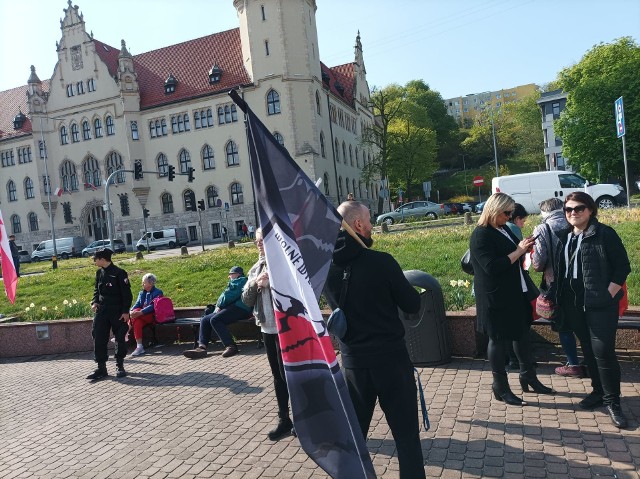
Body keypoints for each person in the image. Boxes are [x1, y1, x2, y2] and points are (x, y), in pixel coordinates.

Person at [324, 200, 426, 479]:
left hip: (354, 365)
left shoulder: (325, 270)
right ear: (358, 224)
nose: (372, 224)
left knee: (355, 439)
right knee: (406, 438)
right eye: (369, 219)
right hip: (391, 361)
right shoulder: (381, 262)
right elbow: (411, 305)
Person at [554, 192, 631, 428]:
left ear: (590, 210)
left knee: (603, 351)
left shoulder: (604, 234)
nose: (573, 213)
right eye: (568, 210)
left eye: (578, 208)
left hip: (600, 303)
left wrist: (608, 293)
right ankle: (598, 392)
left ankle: (613, 401)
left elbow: (622, 267)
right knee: (587, 349)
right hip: (573, 302)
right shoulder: (564, 237)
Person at [470, 193, 554, 406]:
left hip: (516, 290)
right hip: (495, 296)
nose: (509, 217)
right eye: (506, 213)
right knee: (497, 339)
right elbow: (491, 267)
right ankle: (500, 386)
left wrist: (524, 247)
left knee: (522, 334)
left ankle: (528, 376)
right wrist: (519, 250)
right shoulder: (481, 235)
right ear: (493, 211)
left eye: (511, 213)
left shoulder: (504, 228)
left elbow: (514, 256)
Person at [242, 229, 293, 441]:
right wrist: (256, 283)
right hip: (267, 328)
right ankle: (284, 419)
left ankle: (302, 418)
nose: (260, 244)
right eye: (257, 241)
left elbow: (295, 292)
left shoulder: (284, 264)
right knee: (277, 377)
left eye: (263, 240)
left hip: (287, 328)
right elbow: (246, 300)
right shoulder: (256, 268)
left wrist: (272, 283)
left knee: (290, 375)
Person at [531, 198, 584, 378]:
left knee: (564, 325)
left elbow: (538, 263)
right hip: (581, 282)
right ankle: (592, 362)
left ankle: (573, 364)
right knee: (583, 324)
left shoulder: (542, 228)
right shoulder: (576, 223)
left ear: (544, 212)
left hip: (556, 285)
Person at [183, 266, 253, 359]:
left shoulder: (241, 280)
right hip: (232, 307)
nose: (229, 276)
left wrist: (219, 306)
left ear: (237, 274)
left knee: (215, 319)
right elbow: (226, 297)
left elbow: (229, 296)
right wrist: (218, 306)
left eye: (231, 274)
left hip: (241, 308)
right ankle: (201, 348)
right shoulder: (235, 282)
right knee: (205, 319)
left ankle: (231, 346)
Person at [88, 249, 133, 381]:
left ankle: (120, 366)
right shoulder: (99, 272)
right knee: (98, 336)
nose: (94, 261)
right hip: (102, 311)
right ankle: (101, 368)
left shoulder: (119, 273)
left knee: (119, 337)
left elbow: (127, 295)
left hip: (117, 311)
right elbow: (97, 290)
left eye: (95, 258)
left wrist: (125, 311)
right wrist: (95, 302)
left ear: (102, 259)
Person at [504, 203, 529, 370]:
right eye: (523, 220)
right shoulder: (512, 228)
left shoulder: (499, 227)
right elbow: (517, 254)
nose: (523, 224)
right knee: (516, 323)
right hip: (511, 282)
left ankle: (511, 358)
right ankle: (516, 360)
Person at [129, 273, 163, 357]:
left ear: (151, 283)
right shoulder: (141, 293)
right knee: (137, 322)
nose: (142, 284)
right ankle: (139, 347)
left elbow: (153, 307)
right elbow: (137, 304)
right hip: (140, 317)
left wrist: (139, 312)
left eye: (144, 282)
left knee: (136, 312)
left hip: (151, 316)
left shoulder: (158, 292)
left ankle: (125, 333)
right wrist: (131, 311)